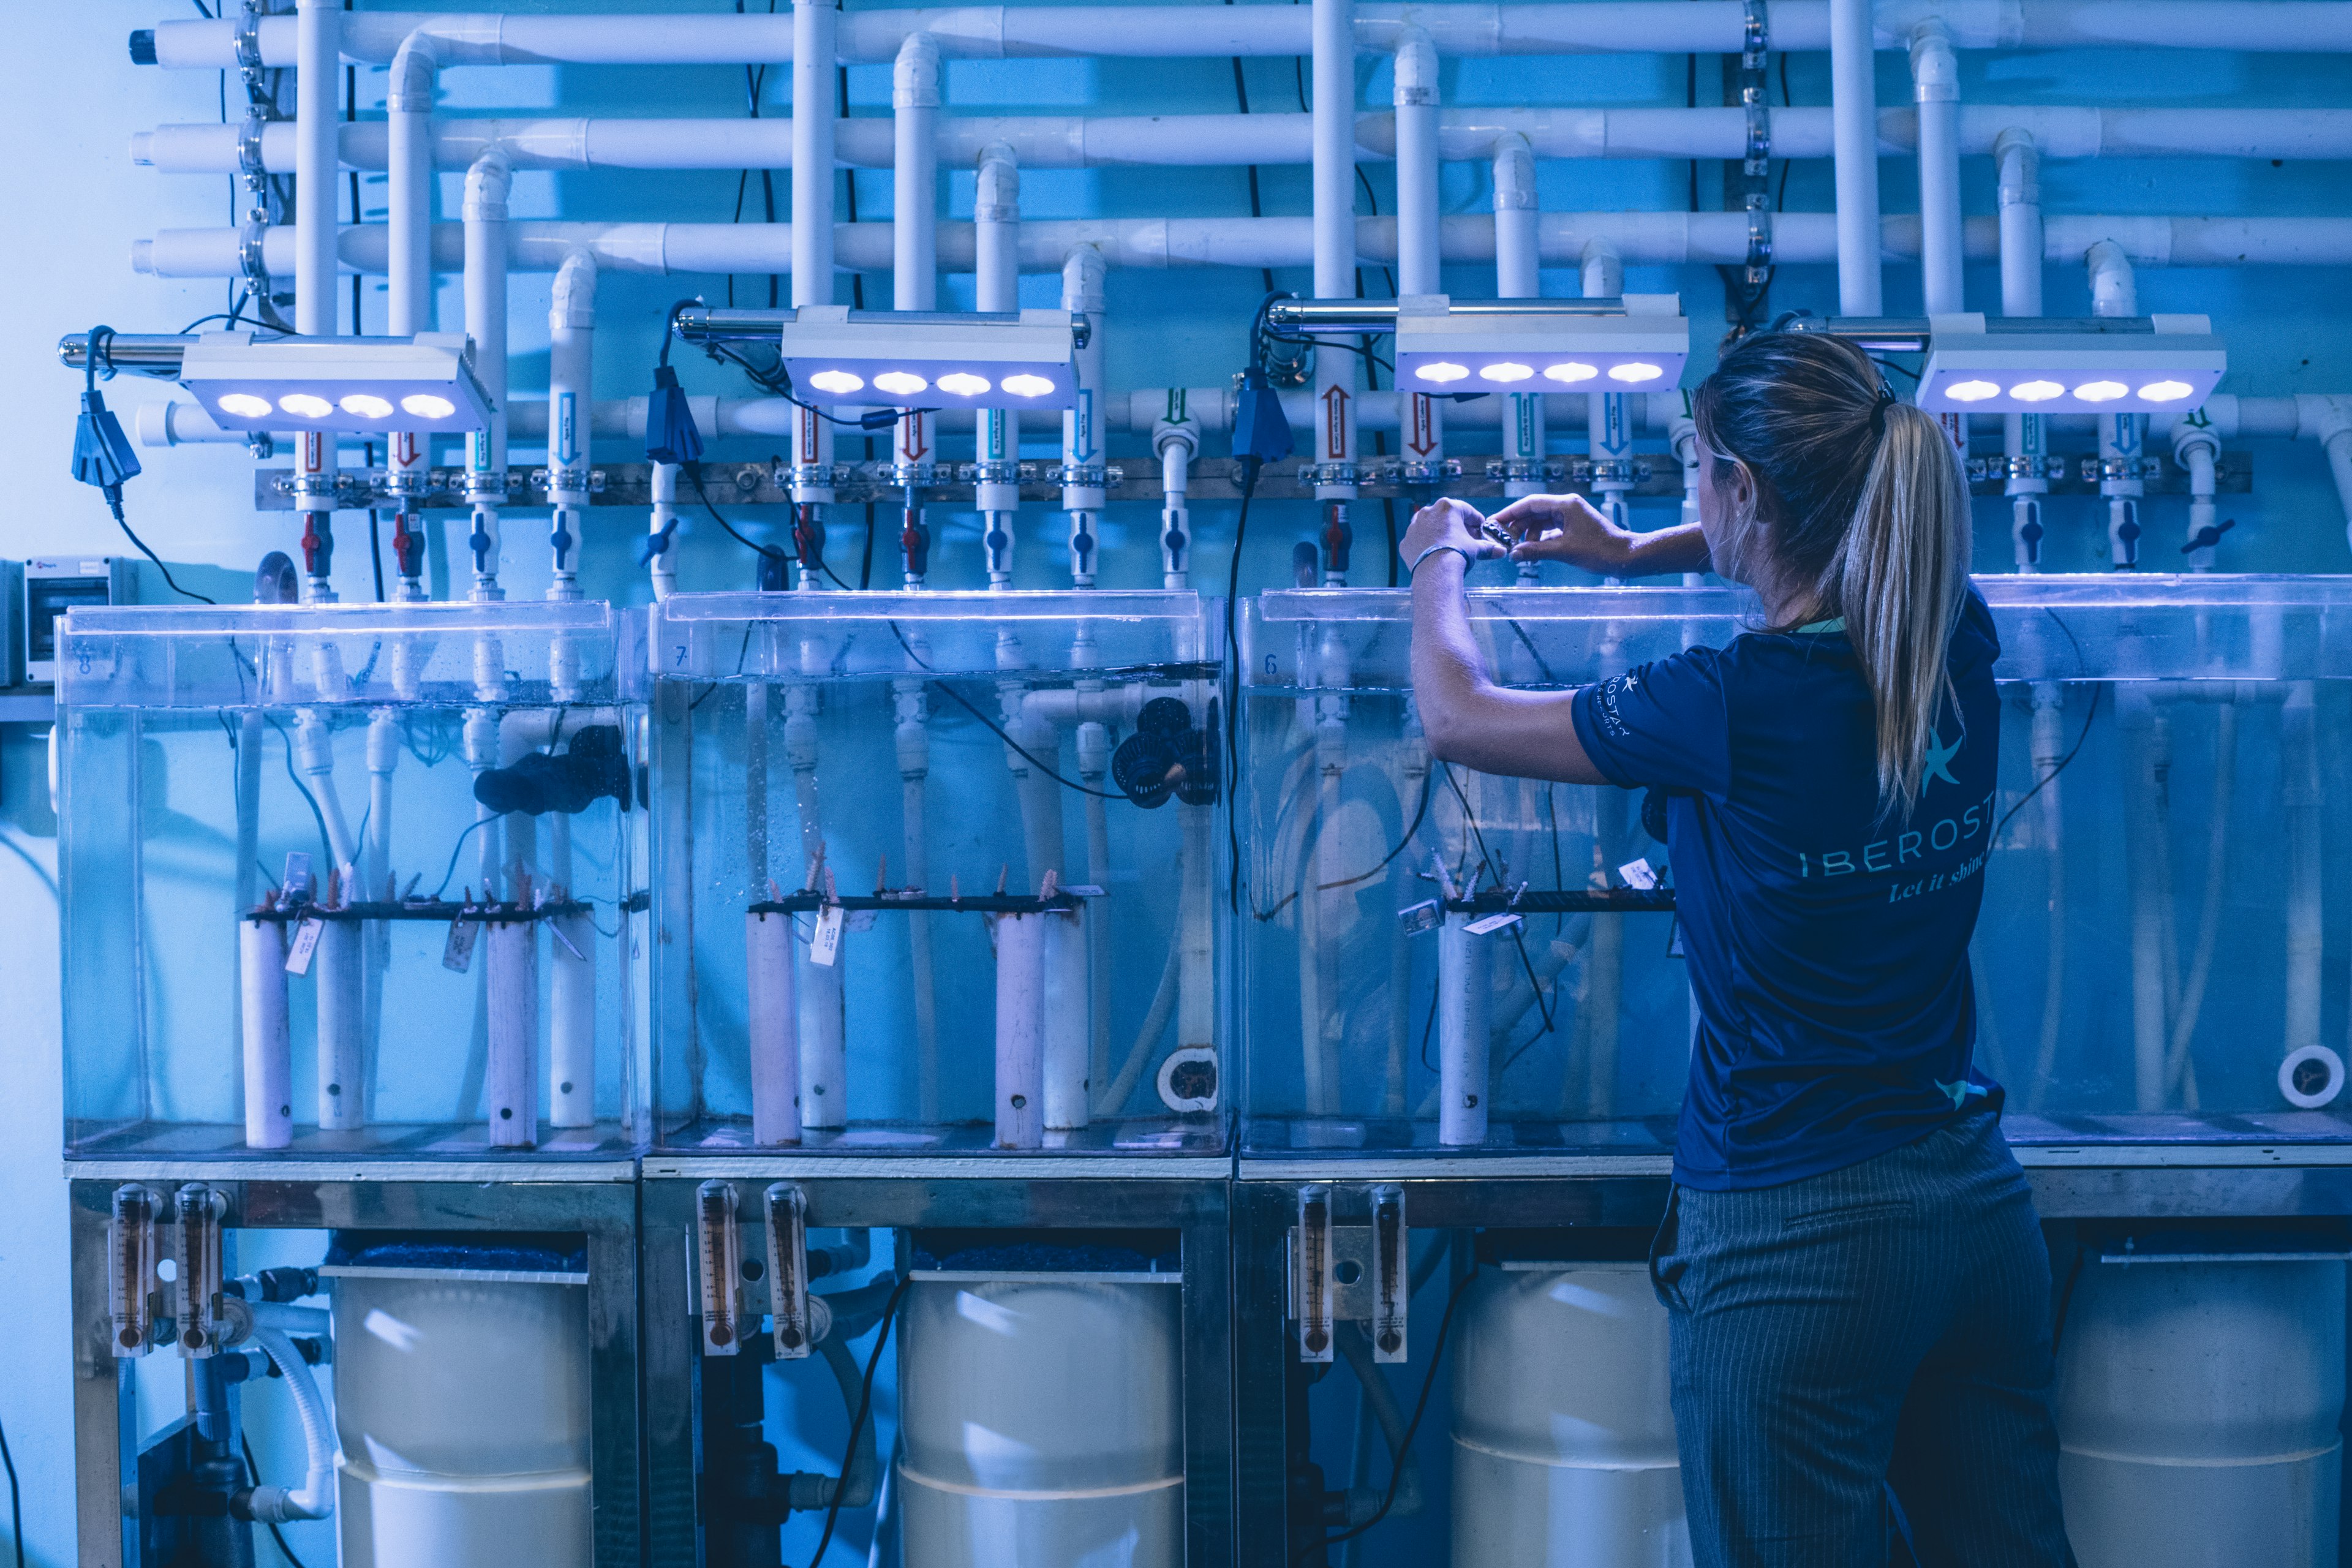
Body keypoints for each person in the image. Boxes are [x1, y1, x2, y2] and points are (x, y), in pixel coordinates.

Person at [1398, 329, 2075, 1568]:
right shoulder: (1950, 637)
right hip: (1976, 1211)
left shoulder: (1726, 702)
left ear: (1745, 489)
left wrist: (1437, 557)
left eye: (1694, 466)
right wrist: (1627, 548)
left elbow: (1456, 712)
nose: (1689, 486)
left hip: (1801, 1233)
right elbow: (1829, 559)